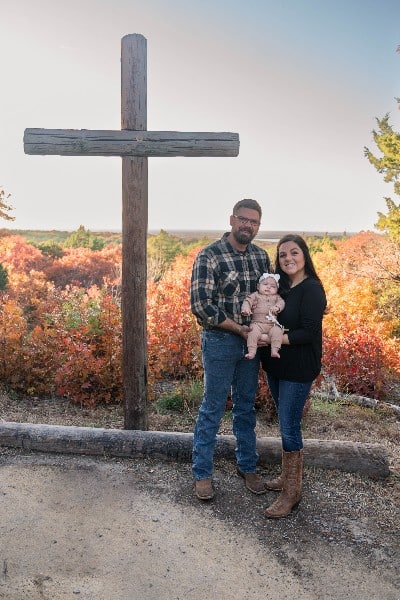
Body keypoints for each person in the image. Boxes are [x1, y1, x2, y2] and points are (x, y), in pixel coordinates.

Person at [190, 199, 270, 500]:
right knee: (212, 408)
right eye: (243, 219)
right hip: (221, 341)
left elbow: (270, 298)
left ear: (258, 226)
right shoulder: (210, 256)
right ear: (232, 220)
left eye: (254, 222)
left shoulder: (262, 258)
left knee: (246, 407)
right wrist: (238, 328)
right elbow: (201, 305)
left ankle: (247, 466)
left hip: (252, 344)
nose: (247, 225)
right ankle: (202, 473)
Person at [259, 234, 326, 518]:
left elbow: (308, 332)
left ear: (304, 255)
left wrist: (274, 338)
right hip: (275, 367)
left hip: (298, 369)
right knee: (285, 422)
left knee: (289, 426)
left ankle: (292, 493)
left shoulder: (312, 289)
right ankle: (288, 478)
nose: (288, 258)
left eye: (294, 252)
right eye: (283, 254)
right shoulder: (280, 288)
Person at [241, 273, 285, 359]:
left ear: (277, 289)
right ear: (258, 286)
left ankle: (275, 350)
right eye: (265, 284)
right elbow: (247, 301)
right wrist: (246, 309)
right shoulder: (255, 295)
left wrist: (277, 307)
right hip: (257, 323)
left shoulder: (276, 297)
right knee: (252, 332)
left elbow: (282, 303)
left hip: (272, 324)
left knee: (278, 331)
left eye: (273, 286)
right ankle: (252, 351)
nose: (268, 287)